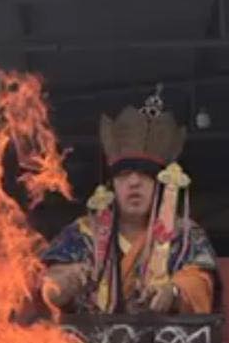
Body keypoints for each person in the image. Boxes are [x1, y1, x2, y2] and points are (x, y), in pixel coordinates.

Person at [40, 99, 217, 313]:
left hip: (163, 342)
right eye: (124, 175)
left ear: (160, 184)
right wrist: (62, 283)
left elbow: (200, 282)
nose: (134, 182)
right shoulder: (83, 234)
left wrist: (174, 291)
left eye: (145, 174)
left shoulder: (185, 234)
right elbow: (48, 282)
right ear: (112, 185)